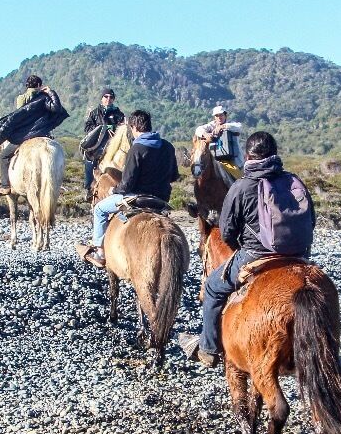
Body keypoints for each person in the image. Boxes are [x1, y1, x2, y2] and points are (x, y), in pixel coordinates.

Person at [178, 132, 313, 367]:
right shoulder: (293, 181)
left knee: (212, 286)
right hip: (299, 255)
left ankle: (208, 348)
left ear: (249, 155)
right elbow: (311, 220)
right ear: (275, 154)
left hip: (257, 254)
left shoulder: (241, 186)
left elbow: (227, 232)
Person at [81, 110, 179, 268]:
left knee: (99, 209)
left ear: (133, 128)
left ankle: (100, 252)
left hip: (138, 197)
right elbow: (174, 176)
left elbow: (127, 184)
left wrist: (114, 190)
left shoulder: (137, 148)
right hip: (161, 199)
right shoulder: (168, 146)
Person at [0, 74, 69, 195]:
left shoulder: (21, 98)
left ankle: (5, 185)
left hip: (24, 136)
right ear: (39, 85)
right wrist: (50, 92)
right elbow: (56, 108)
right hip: (42, 133)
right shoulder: (44, 98)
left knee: (3, 156)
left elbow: (18, 117)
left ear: (27, 86)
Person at [80, 88, 125, 194]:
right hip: (97, 145)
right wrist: (101, 128)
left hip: (113, 145)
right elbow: (87, 128)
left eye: (111, 97)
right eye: (106, 96)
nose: (108, 99)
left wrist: (112, 127)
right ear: (102, 98)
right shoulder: (94, 113)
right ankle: (88, 188)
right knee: (89, 160)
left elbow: (122, 128)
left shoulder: (118, 114)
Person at [194, 105, 244, 182]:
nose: (219, 117)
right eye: (216, 116)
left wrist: (223, 126)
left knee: (241, 178)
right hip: (216, 159)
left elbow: (239, 127)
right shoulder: (212, 125)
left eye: (221, 115)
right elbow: (198, 129)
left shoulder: (231, 124)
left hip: (233, 160)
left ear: (225, 115)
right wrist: (205, 134)